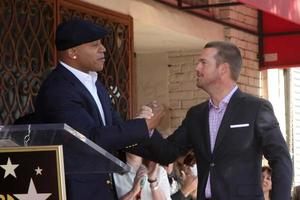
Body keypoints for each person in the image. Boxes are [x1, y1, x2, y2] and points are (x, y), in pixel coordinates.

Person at [139, 41, 293, 199]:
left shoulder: (256, 109)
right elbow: (167, 153)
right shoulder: (196, 115)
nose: (197, 68)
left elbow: (280, 158)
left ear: (223, 69)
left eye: (203, 62)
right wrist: (141, 129)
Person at [35, 19, 164, 200]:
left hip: (101, 188)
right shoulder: (58, 89)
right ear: (73, 52)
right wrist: (143, 126)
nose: (103, 49)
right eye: (95, 44)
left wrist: (149, 130)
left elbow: (115, 128)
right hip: (75, 191)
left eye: (101, 43)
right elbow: (90, 138)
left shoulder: (96, 85)